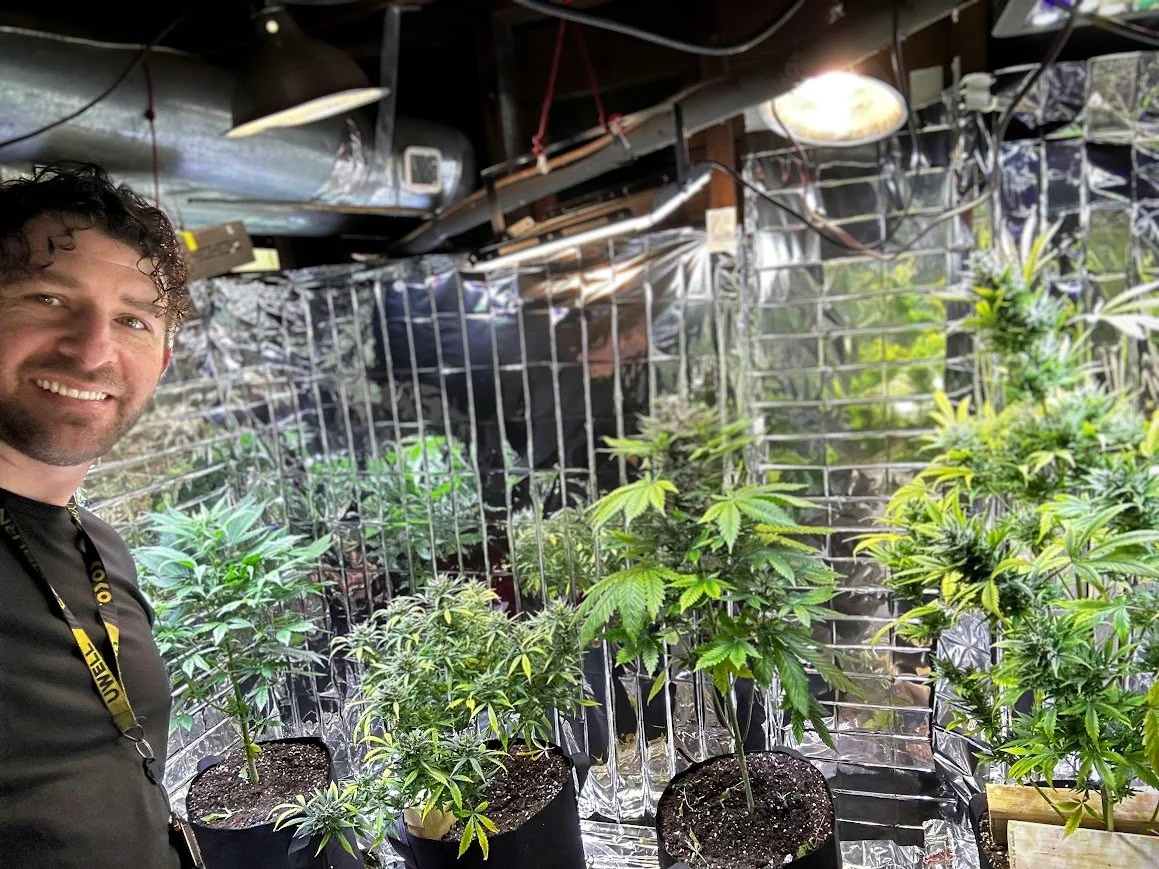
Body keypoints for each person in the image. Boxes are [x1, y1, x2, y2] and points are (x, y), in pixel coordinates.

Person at [0, 163, 194, 867]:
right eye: (48, 297)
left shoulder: (99, 547)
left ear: (162, 360)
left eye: (132, 319)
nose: (91, 350)